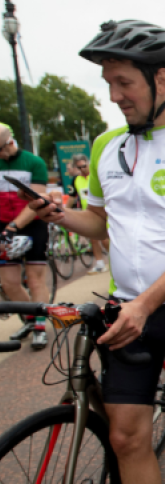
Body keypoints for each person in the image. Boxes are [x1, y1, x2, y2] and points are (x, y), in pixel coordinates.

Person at [27, 19, 165, 484]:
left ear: (161, 79)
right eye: (109, 84)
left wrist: (146, 304)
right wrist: (58, 215)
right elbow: (99, 221)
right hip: (127, 309)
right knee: (125, 437)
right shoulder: (105, 145)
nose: (115, 95)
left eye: (124, 83)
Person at [0, 123, 51, 349]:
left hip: (32, 223)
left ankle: (40, 324)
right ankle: (30, 319)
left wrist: (14, 226)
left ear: (10, 143)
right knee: (9, 283)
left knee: (34, 277)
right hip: (3, 225)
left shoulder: (34, 162)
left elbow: (37, 200)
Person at [66, 153, 109, 274]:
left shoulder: (96, 176)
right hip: (89, 212)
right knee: (93, 239)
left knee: (106, 239)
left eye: (84, 166)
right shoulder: (76, 180)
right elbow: (71, 197)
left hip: (104, 210)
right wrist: (63, 211)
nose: (82, 169)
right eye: (78, 167)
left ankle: (115, 259)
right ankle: (100, 263)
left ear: (88, 163)